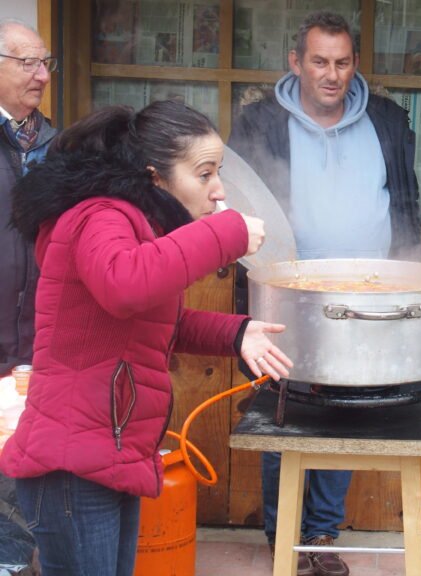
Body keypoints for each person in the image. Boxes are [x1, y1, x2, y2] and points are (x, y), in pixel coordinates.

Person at [0, 99, 293, 576]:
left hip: (112, 451)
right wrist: (227, 233)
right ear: (155, 176)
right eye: (204, 174)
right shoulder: (101, 214)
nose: (218, 190)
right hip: (73, 464)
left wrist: (237, 333)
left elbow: (151, 321)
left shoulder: (138, 224)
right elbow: (124, 285)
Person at [229, 10, 421, 576]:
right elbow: (237, 205)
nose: (331, 75)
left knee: (347, 409)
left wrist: (406, 272)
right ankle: (282, 536)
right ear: (296, 62)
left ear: (354, 63)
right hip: (283, 292)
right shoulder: (259, 122)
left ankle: (320, 537)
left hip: (368, 296)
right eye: (319, 62)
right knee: (280, 411)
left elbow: (404, 202)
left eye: (341, 62)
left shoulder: (387, 119)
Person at [0, 18, 57, 575]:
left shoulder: (54, 147)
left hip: (33, 347)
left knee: (15, 483)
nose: (42, 75)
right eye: (27, 63)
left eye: (46, 63)